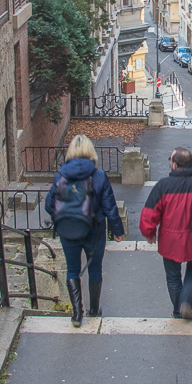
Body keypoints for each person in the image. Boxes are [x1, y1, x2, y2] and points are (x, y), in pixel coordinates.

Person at [44, 135, 124, 327]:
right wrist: (117, 231)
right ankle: (94, 309)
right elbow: (110, 207)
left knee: (72, 269)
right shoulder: (99, 176)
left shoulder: (60, 176)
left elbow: (49, 205)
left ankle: (77, 313)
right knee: (95, 268)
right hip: (94, 231)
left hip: (67, 229)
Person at [139, 147, 192, 320]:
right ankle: (186, 301)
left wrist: (149, 232)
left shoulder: (163, 186)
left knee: (173, 277)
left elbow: (149, 213)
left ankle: (178, 311)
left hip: (169, 241)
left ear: (175, 166)